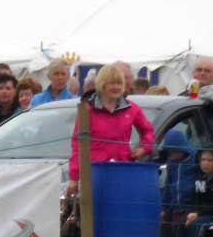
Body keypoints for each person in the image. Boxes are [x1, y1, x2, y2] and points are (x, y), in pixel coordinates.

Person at [65, 64, 153, 196]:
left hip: (122, 171)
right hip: (94, 173)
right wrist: (74, 176)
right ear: (101, 84)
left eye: (119, 83)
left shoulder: (132, 109)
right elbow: (77, 145)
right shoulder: (87, 110)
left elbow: (148, 131)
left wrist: (144, 148)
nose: (116, 87)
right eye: (111, 83)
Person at [156, 128, 195, 237]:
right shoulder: (171, 164)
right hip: (174, 207)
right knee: (168, 229)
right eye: (169, 152)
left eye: (174, 151)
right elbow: (167, 187)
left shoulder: (195, 162)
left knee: (181, 230)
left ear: (182, 149)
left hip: (190, 206)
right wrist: (164, 208)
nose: (171, 155)